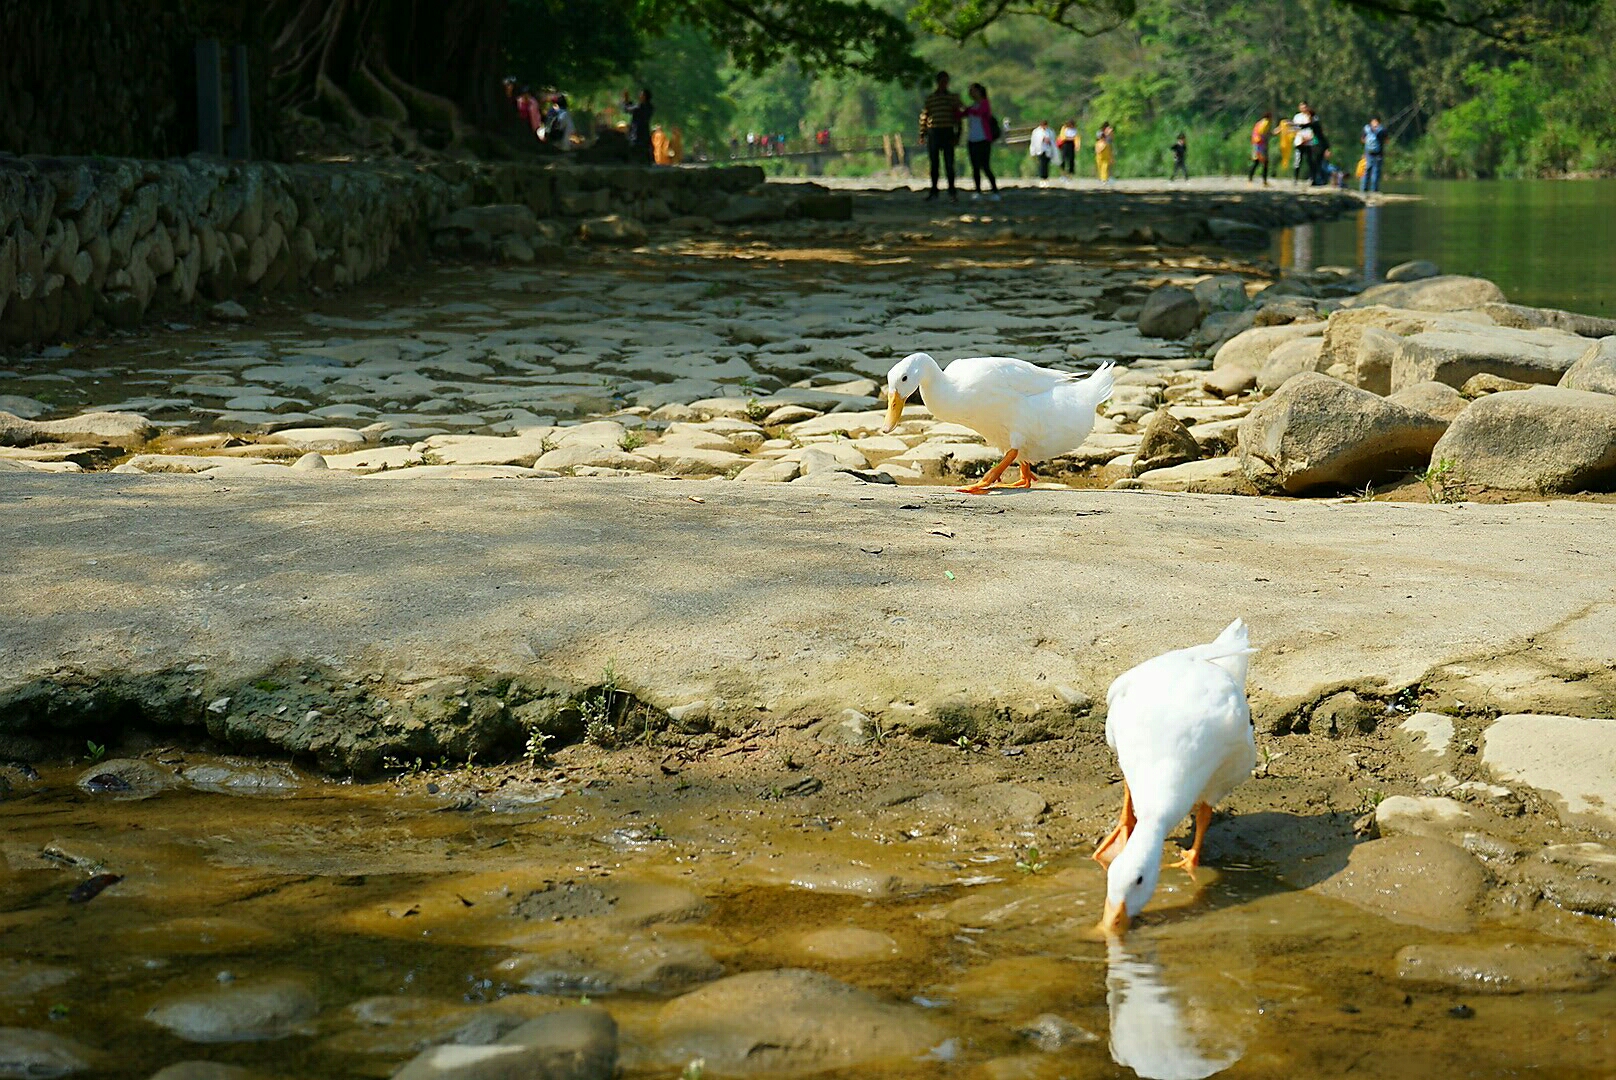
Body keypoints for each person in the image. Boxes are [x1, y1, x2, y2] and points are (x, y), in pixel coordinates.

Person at [918, 70, 964, 201]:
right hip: (934, 132)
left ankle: (952, 191)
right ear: (938, 82)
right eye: (942, 81)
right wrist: (922, 133)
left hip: (948, 131)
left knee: (949, 163)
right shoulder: (931, 98)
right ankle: (934, 191)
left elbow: (957, 117)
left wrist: (958, 134)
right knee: (934, 163)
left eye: (946, 81)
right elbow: (924, 116)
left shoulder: (953, 98)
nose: (944, 84)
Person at [962, 82, 1000, 200]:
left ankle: (994, 191)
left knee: (985, 165)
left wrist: (965, 108)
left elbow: (979, 113)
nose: (971, 93)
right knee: (975, 167)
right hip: (972, 139)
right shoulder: (972, 106)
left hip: (983, 139)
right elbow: (961, 114)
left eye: (973, 91)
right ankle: (978, 190)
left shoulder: (984, 104)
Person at [623, 88, 654, 165]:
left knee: (635, 154)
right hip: (645, 135)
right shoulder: (650, 107)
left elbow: (627, 109)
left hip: (637, 135)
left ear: (644, 96)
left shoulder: (640, 107)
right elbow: (633, 107)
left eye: (641, 95)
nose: (639, 96)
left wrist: (625, 101)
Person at [1361, 115, 1385, 192]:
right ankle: (1374, 191)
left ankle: (1363, 190)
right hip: (1378, 155)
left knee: (1366, 172)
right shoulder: (1382, 130)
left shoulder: (1366, 129)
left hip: (1368, 154)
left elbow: (1362, 140)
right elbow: (1387, 140)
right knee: (1375, 173)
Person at [1291, 102, 1314, 183]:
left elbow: (1313, 129)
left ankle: (1311, 177)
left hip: (1309, 142)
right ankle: (1295, 178)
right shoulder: (1297, 117)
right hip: (1299, 141)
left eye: (1305, 107)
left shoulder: (1311, 117)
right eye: (1302, 107)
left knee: (1309, 160)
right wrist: (1300, 137)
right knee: (1297, 160)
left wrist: (1308, 138)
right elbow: (1294, 129)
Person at [1248, 111, 1272, 184]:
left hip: (1256, 143)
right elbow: (1263, 133)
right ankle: (1264, 180)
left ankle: (1250, 177)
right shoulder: (1266, 122)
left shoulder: (1259, 123)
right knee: (1264, 162)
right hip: (1261, 144)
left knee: (1256, 161)